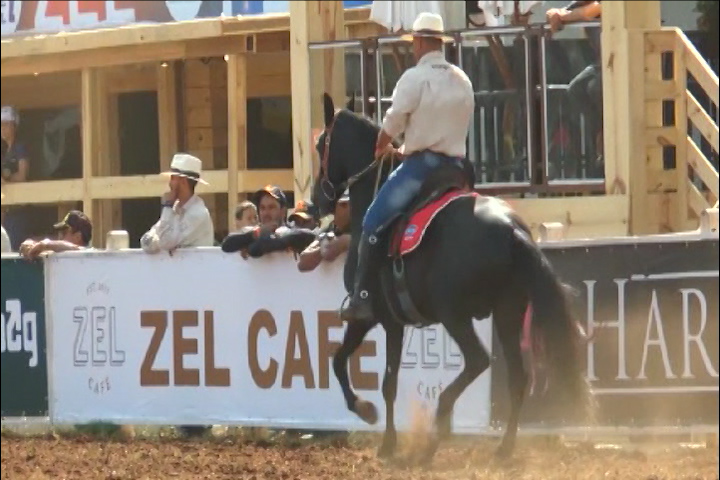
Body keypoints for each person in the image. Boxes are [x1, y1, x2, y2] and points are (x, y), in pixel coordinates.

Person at [340, 12, 475, 323]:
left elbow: (393, 119)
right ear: (439, 42)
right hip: (458, 168)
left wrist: (382, 144)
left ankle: (361, 297)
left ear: (418, 42)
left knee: (372, 221)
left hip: (422, 167)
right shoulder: (462, 79)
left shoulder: (415, 78)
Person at [546, 1, 603, 173]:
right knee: (576, 89)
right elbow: (554, 13)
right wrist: (554, 14)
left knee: (595, 88)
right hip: (600, 62)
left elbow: (590, 12)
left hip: (620, 59)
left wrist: (563, 16)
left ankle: (605, 135)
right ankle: (600, 132)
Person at [140, 153, 214, 254]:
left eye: (173, 178)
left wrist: (168, 205)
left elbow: (165, 242)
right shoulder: (174, 210)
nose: (170, 183)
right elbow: (147, 242)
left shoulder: (198, 213)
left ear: (183, 181)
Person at [18, 210, 93, 260]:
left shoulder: (92, 257)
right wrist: (31, 245)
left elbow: (79, 249)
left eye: (64, 233)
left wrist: (46, 244)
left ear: (78, 237)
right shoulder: (60, 256)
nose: (60, 237)